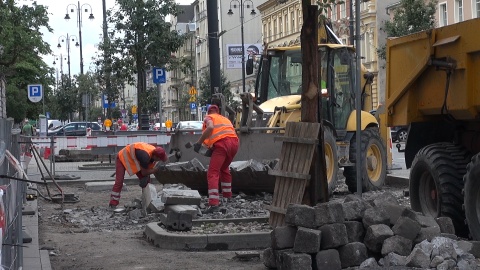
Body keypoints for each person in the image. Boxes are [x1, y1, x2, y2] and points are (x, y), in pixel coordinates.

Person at [194, 105, 239, 212]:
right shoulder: (224, 118)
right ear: (218, 111)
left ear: (208, 112)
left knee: (212, 173)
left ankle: (214, 203)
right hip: (235, 144)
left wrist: (198, 143)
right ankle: (227, 196)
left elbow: (210, 128)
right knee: (224, 169)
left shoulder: (209, 118)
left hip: (222, 144)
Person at [109, 142, 168, 207]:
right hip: (122, 157)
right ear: (155, 156)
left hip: (135, 160)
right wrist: (156, 170)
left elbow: (147, 170)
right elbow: (144, 172)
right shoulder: (145, 156)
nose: (159, 161)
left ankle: (146, 201)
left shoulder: (153, 153)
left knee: (146, 181)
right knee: (119, 181)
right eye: (159, 159)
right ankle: (113, 203)